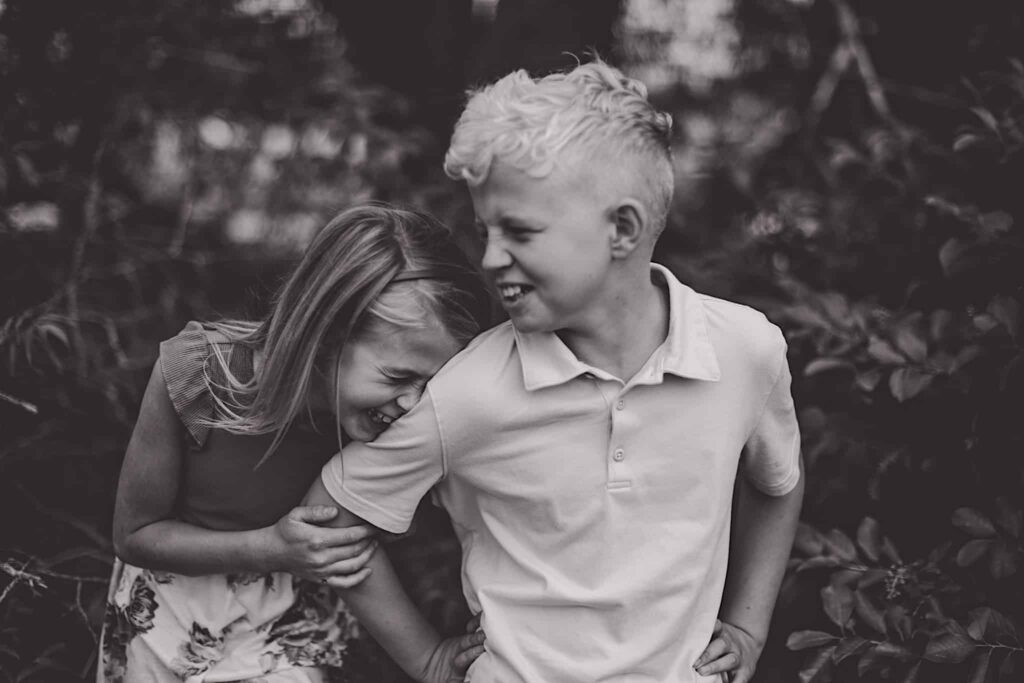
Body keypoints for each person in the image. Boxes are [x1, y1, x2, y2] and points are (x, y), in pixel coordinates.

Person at [305, 60, 805, 683]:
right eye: (486, 230)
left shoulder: (744, 351)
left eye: (519, 231)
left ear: (621, 228)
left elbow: (776, 481)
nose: (489, 257)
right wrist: (426, 658)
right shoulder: (468, 392)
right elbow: (329, 519)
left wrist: (749, 627)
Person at [100, 205, 490, 683]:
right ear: (325, 333)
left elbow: (346, 547)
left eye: (431, 386)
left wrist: (429, 660)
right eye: (398, 376)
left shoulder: (381, 425)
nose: (413, 404)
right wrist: (268, 548)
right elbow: (135, 535)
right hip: (167, 617)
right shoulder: (199, 378)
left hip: (285, 631)